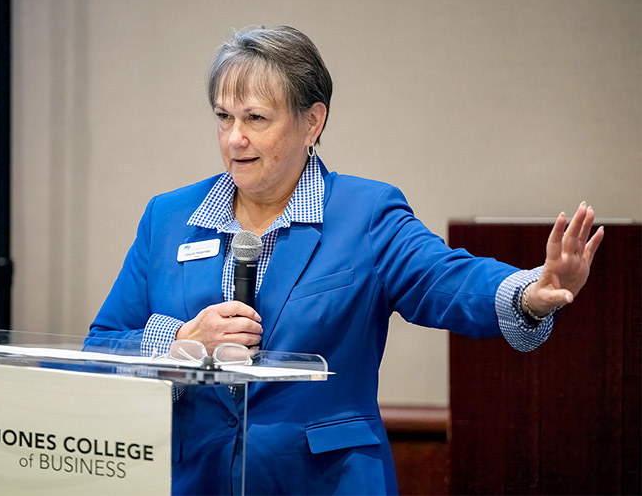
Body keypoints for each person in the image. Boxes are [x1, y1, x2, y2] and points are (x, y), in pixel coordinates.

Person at [87, 25, 603, 495]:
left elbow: (444, 279)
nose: (234, 138)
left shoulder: (364, 213)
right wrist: (181, 344)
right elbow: (101, 347)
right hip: (194, 479)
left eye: (256, 118)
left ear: (312, 122)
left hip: (325, 480)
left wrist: (529, 294)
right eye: (224, 117)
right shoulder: (169, 217)